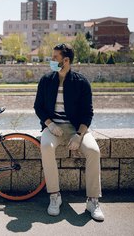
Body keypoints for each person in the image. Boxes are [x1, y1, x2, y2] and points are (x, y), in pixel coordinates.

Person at [34, 44, 104, 221]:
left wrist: (79, 135)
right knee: (46, 146)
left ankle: (93, 200)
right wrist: (49, 124)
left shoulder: (81, 83)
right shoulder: (46, 80)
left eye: (55, 57)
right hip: (53, 127)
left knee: (94, 151)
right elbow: (38, 107)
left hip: (76, 129)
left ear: (66, 60)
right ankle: (55, 196)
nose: (52, 61)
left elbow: (88, 114)